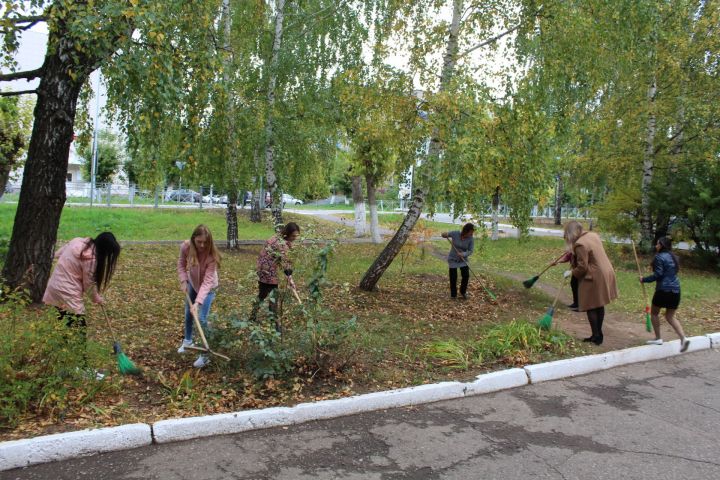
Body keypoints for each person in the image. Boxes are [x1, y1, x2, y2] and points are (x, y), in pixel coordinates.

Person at [43, 232, 121, 376]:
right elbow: (89, 285)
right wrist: (98, 299)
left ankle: (66, 365)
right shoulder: (91, 259)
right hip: (68, 292)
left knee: (67, 326)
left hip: (55, 287)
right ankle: (81, 368)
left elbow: (58, 254)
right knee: (78, 329)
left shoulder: (77, 241)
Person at [564, 221, 618, 345]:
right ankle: (598, 334)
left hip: (594, 276)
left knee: (590, 305)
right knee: (599, 303)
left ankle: (596, 336)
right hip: (606, 271)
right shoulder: (593, 235)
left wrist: (572, 273)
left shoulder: (580, 244)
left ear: (572, 233)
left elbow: (582, 267)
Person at [177, 225, 221, 368]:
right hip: (192, 284)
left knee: (201, 318)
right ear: (193, 239)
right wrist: (183, 280)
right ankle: (187, 341)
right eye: (199, 242)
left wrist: (198, 302)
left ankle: (205, 355)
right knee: (188, 314)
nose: (202, 245)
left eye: (205, 242)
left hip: (208, 289)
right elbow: (181, 264)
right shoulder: (186, 247)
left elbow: (208, 281)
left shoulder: (212, 256)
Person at [640, 236, 689, 352]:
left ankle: (658, 338)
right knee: (670, 316)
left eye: (657, 244)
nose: (656, 246)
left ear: (662, 245)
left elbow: (658, 274)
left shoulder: (659, 257)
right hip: (676, 290)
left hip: (663, 290)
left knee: (654, 313)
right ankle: (683, 338)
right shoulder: (675, 257)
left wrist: (644, 279)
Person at [253, 222, 300, 329]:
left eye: (297, 235)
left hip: (264, 268)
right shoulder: (280, 243)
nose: (295, 238)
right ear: (287, 234)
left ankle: (253, 317)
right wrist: (290, 280)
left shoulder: (280, 238)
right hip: (266, 270)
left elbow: (282, 258)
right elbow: (285, 263)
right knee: (273, 296)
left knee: (263, 294)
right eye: (293, 236)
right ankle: (275, 327)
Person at [441, 223, 475, 299]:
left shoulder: (471, 239)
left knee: (466, 275)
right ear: (466, 231)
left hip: (463, 260)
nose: (471, 234)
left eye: (472, 232)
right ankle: (453, 295)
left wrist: (463, 254)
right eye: (470, 232)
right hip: (453, 259)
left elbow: (470, 251)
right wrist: (444, 234)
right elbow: (445, 234)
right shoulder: (456, 233)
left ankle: (463, 292)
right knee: (453, 277)